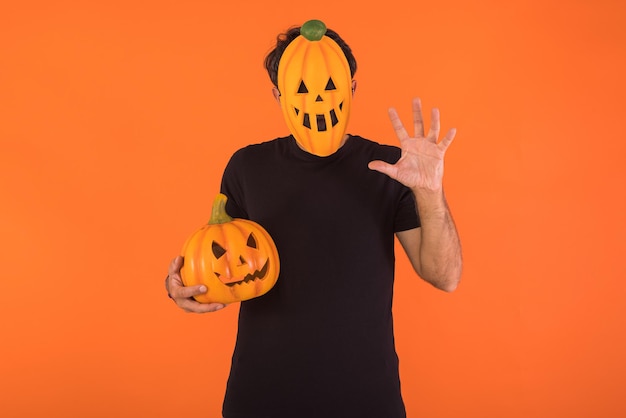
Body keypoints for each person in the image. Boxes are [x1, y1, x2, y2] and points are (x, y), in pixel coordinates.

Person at [165, 20, 462, 418]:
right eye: (303, 90)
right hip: (261, 398)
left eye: (330, 87)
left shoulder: (391, 167)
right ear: (278, 95)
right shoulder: (246, 167)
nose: (319, 100)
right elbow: (220, 260)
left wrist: (430, 191)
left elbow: (445, 275)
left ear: (352, 87)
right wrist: (180, 287)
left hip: (366, 399)